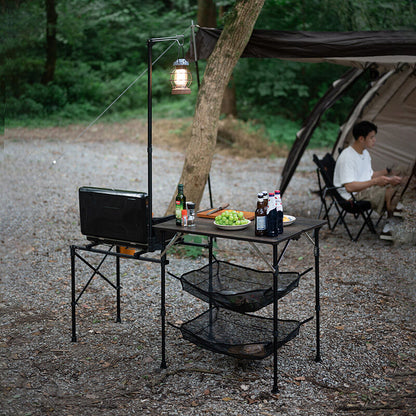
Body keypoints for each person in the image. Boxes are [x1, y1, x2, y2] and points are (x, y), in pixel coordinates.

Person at [333, 120, 404, 240]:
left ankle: (395, 221)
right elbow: (349, 187)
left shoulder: (364, 153)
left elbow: (369, 175)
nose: (374, 140)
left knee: (399, 185)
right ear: (361, 139)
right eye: (371, 137)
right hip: (351, 196)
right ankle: (391, 224)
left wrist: (388, 174)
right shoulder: (347, 157)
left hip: (363, 189)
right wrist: (377, 181)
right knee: (390, 191)